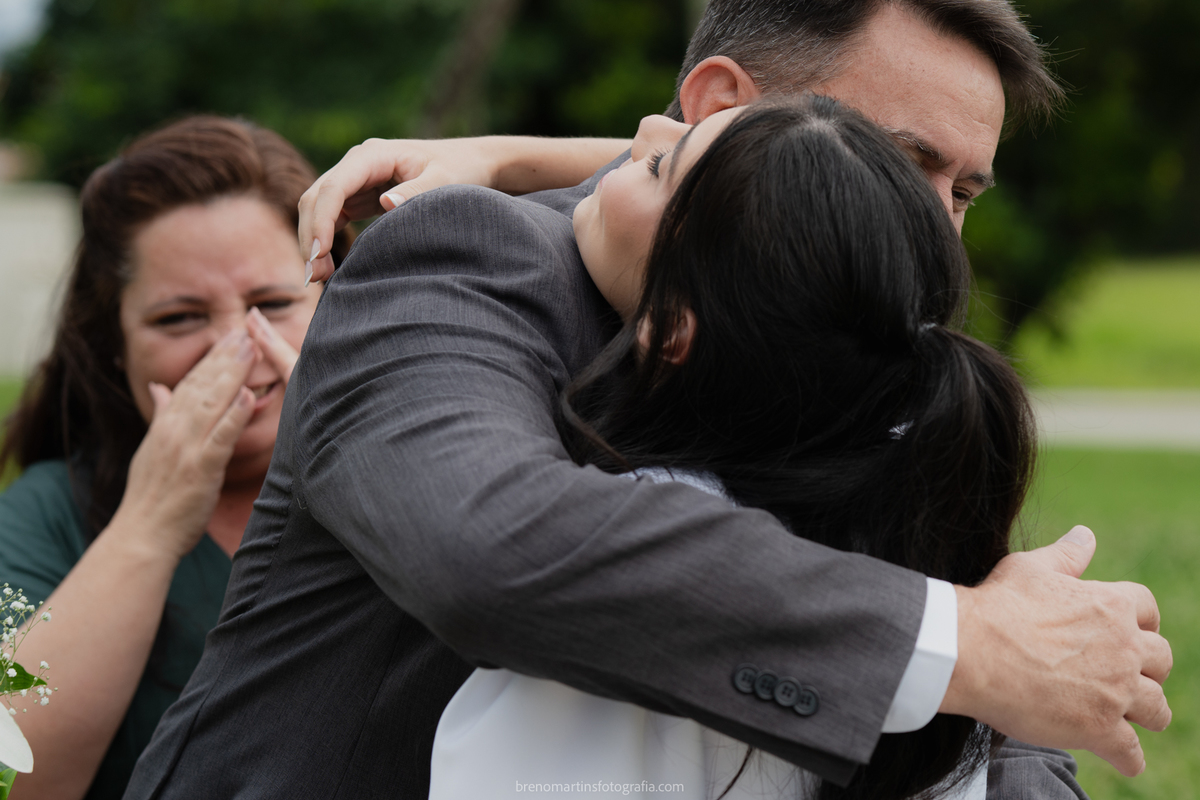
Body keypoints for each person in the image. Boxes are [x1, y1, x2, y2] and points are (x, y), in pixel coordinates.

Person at [126, 2, 1170, 798]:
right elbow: (486, 544)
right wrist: (964, 645)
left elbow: (999, 662)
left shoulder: (872, 341)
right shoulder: (456, 259)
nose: (932, 235)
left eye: (963, 194)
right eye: (901, 165)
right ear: (717, 113)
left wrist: (1013, 669)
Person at [428, 95, 1035, 800]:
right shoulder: (918, 539)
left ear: (670, 327)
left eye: (659, 167)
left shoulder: (643, 566)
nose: (646, 131)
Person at [0, 115, 621, 800]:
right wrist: (149, 523)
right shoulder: (49, 512)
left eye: (271, 302)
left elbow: (698, 165)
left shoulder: (442, 457)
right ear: (113, 343)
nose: (235, 345)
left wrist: (498, 159)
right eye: (178, 318)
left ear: (337, 298)